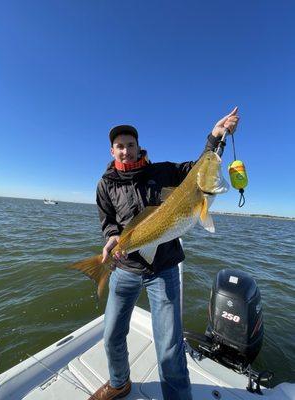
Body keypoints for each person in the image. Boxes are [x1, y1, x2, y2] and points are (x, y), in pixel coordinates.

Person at [89, 108, 239, 400]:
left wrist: (216, 136)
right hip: (124, 269)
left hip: (164, 270)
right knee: (111, 337)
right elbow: (107, 220)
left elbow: (199, 168)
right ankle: (120, 382)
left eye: (130, 144)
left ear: (138, 146)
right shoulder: (105, 185)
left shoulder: (164, 171)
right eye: (120, 146)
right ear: (112, 150)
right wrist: (111, 239)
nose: (126, 150)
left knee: (170, 347)